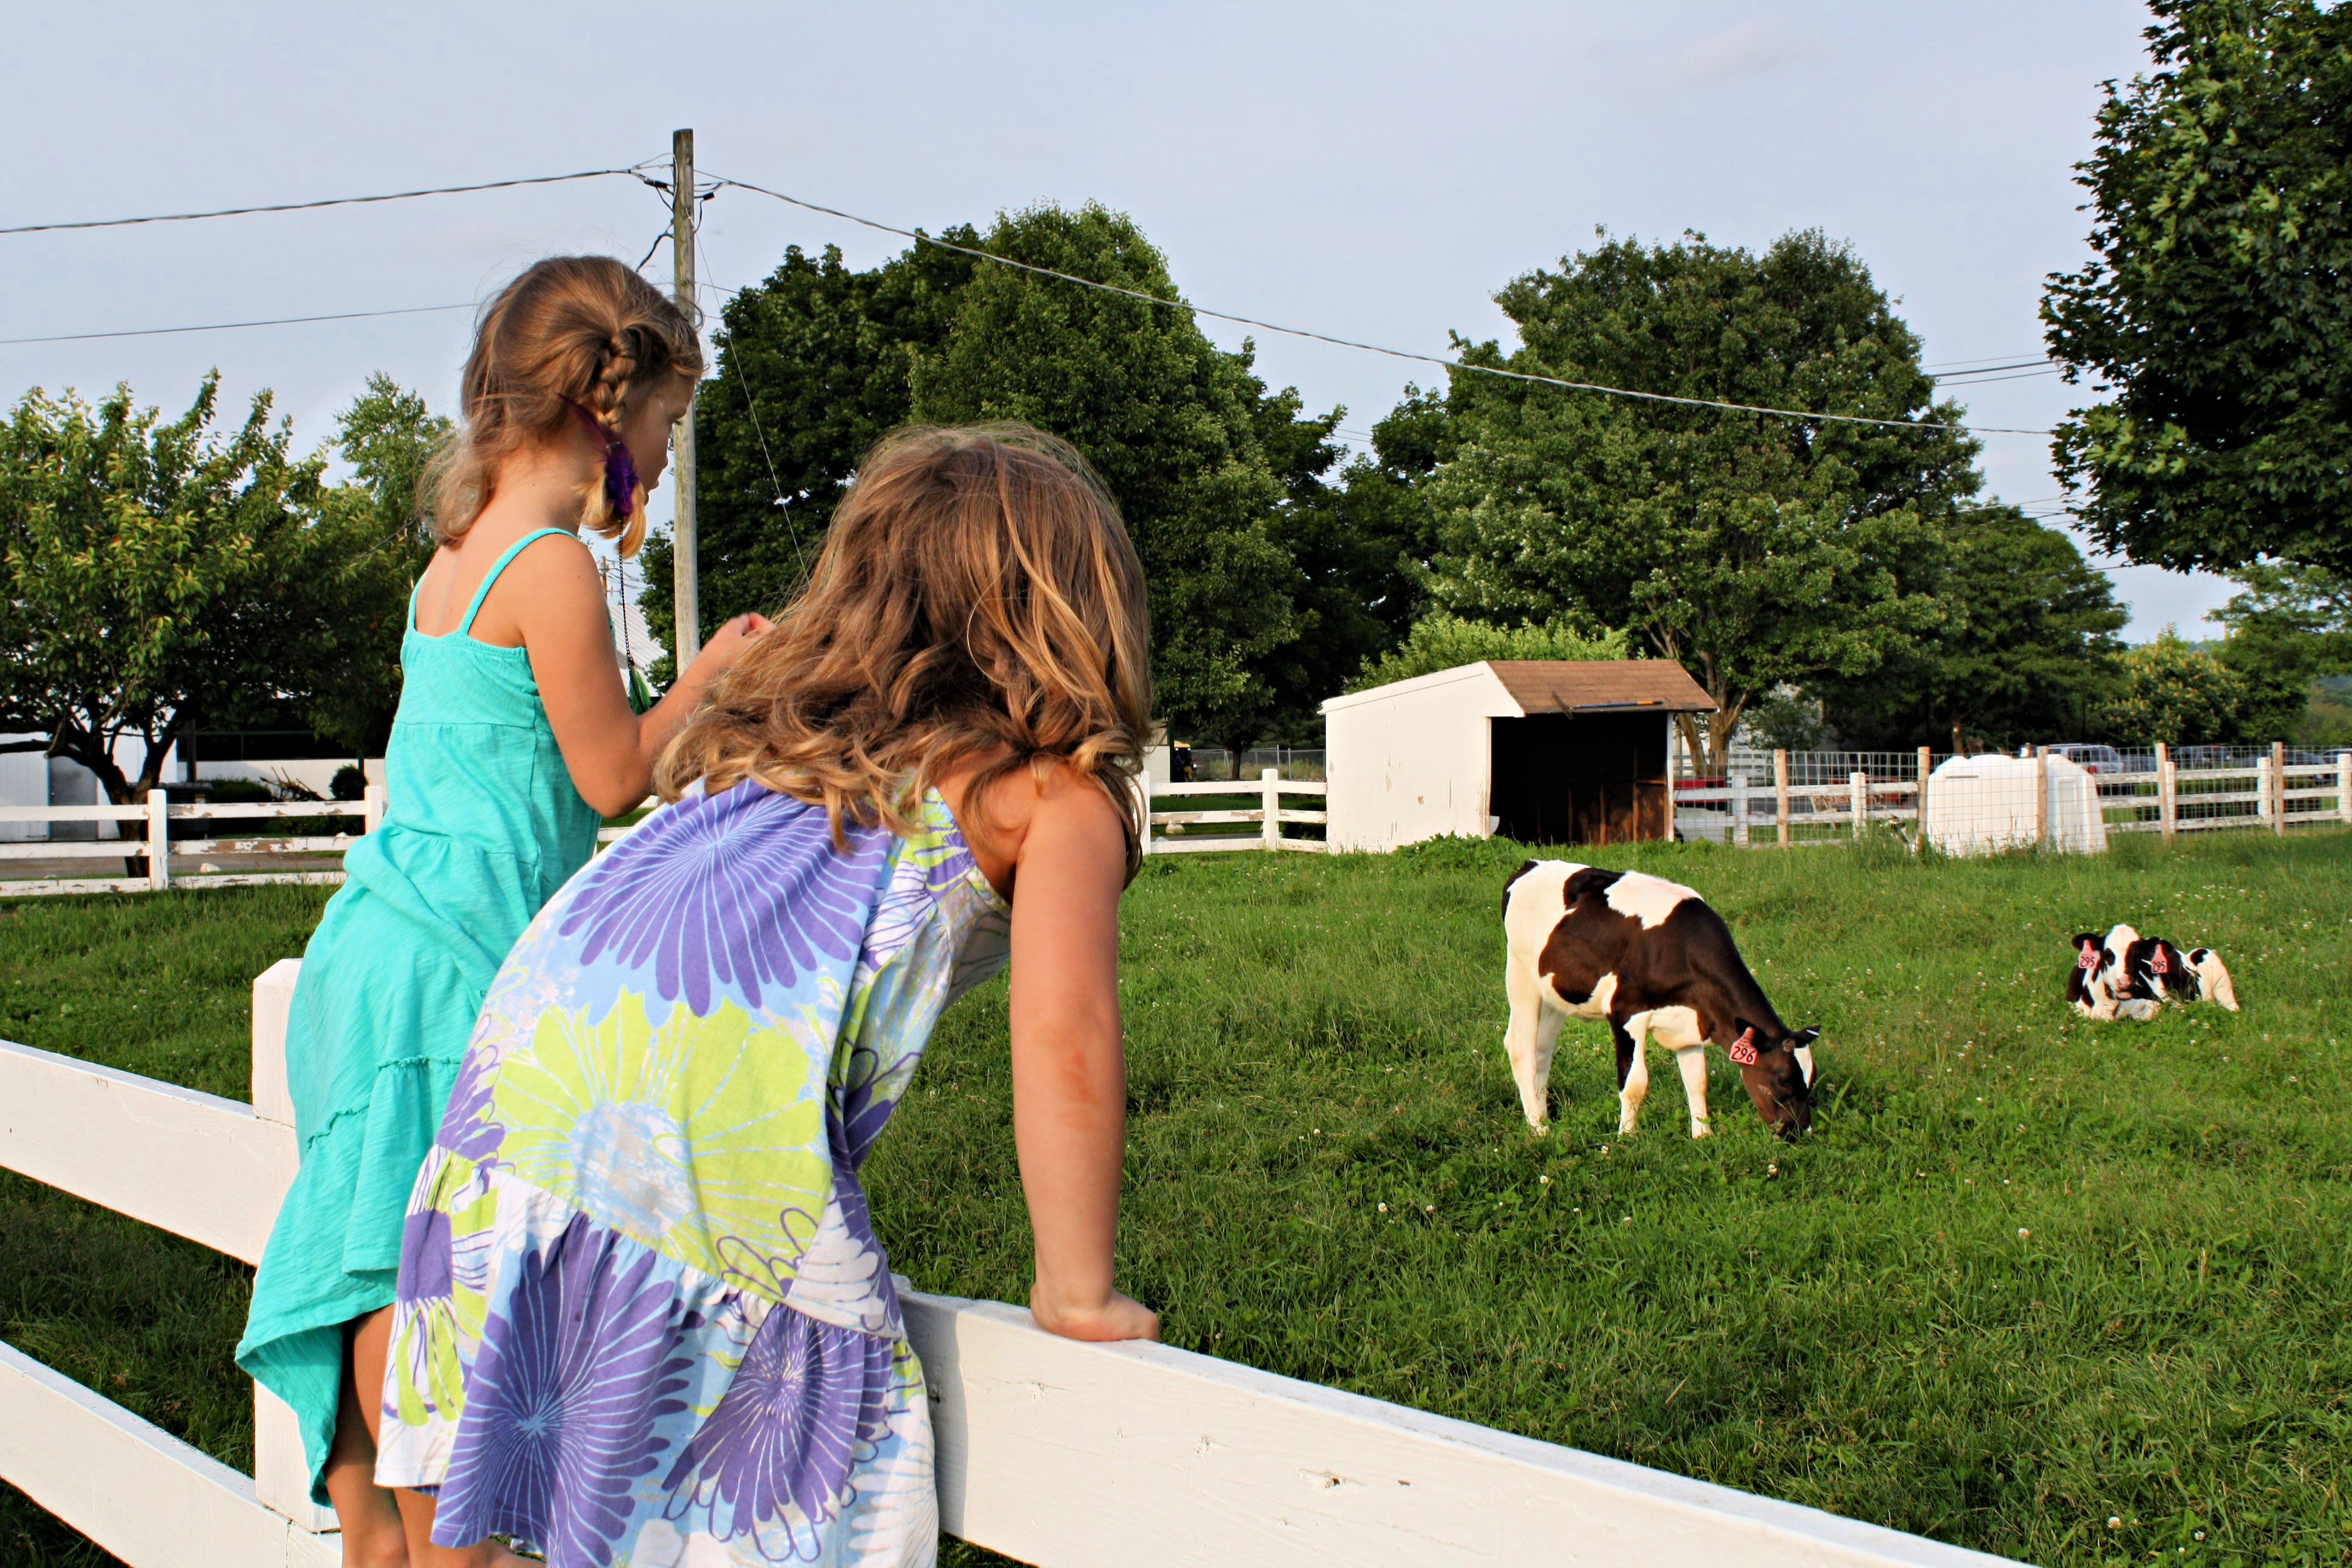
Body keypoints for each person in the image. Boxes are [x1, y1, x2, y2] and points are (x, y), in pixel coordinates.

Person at [374, 425, 1160, 1568]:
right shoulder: (1044, 797)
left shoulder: (769, 753)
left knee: (482, 1527)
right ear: (1078, 610)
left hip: (506, 1137)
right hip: (693, 1188)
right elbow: (1066, 1037)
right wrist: (1076, 1289)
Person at [236, 255, 769, 1568]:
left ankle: (374, 1530)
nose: (662, 453)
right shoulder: (552, 570)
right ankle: (432, 1534)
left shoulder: (456, 556)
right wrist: (716, 670)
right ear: (609, 407)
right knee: (406, 1271)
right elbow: (608, 779)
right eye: (663, 427)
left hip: (372, 950)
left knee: (366, 1244)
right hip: (440, 970)